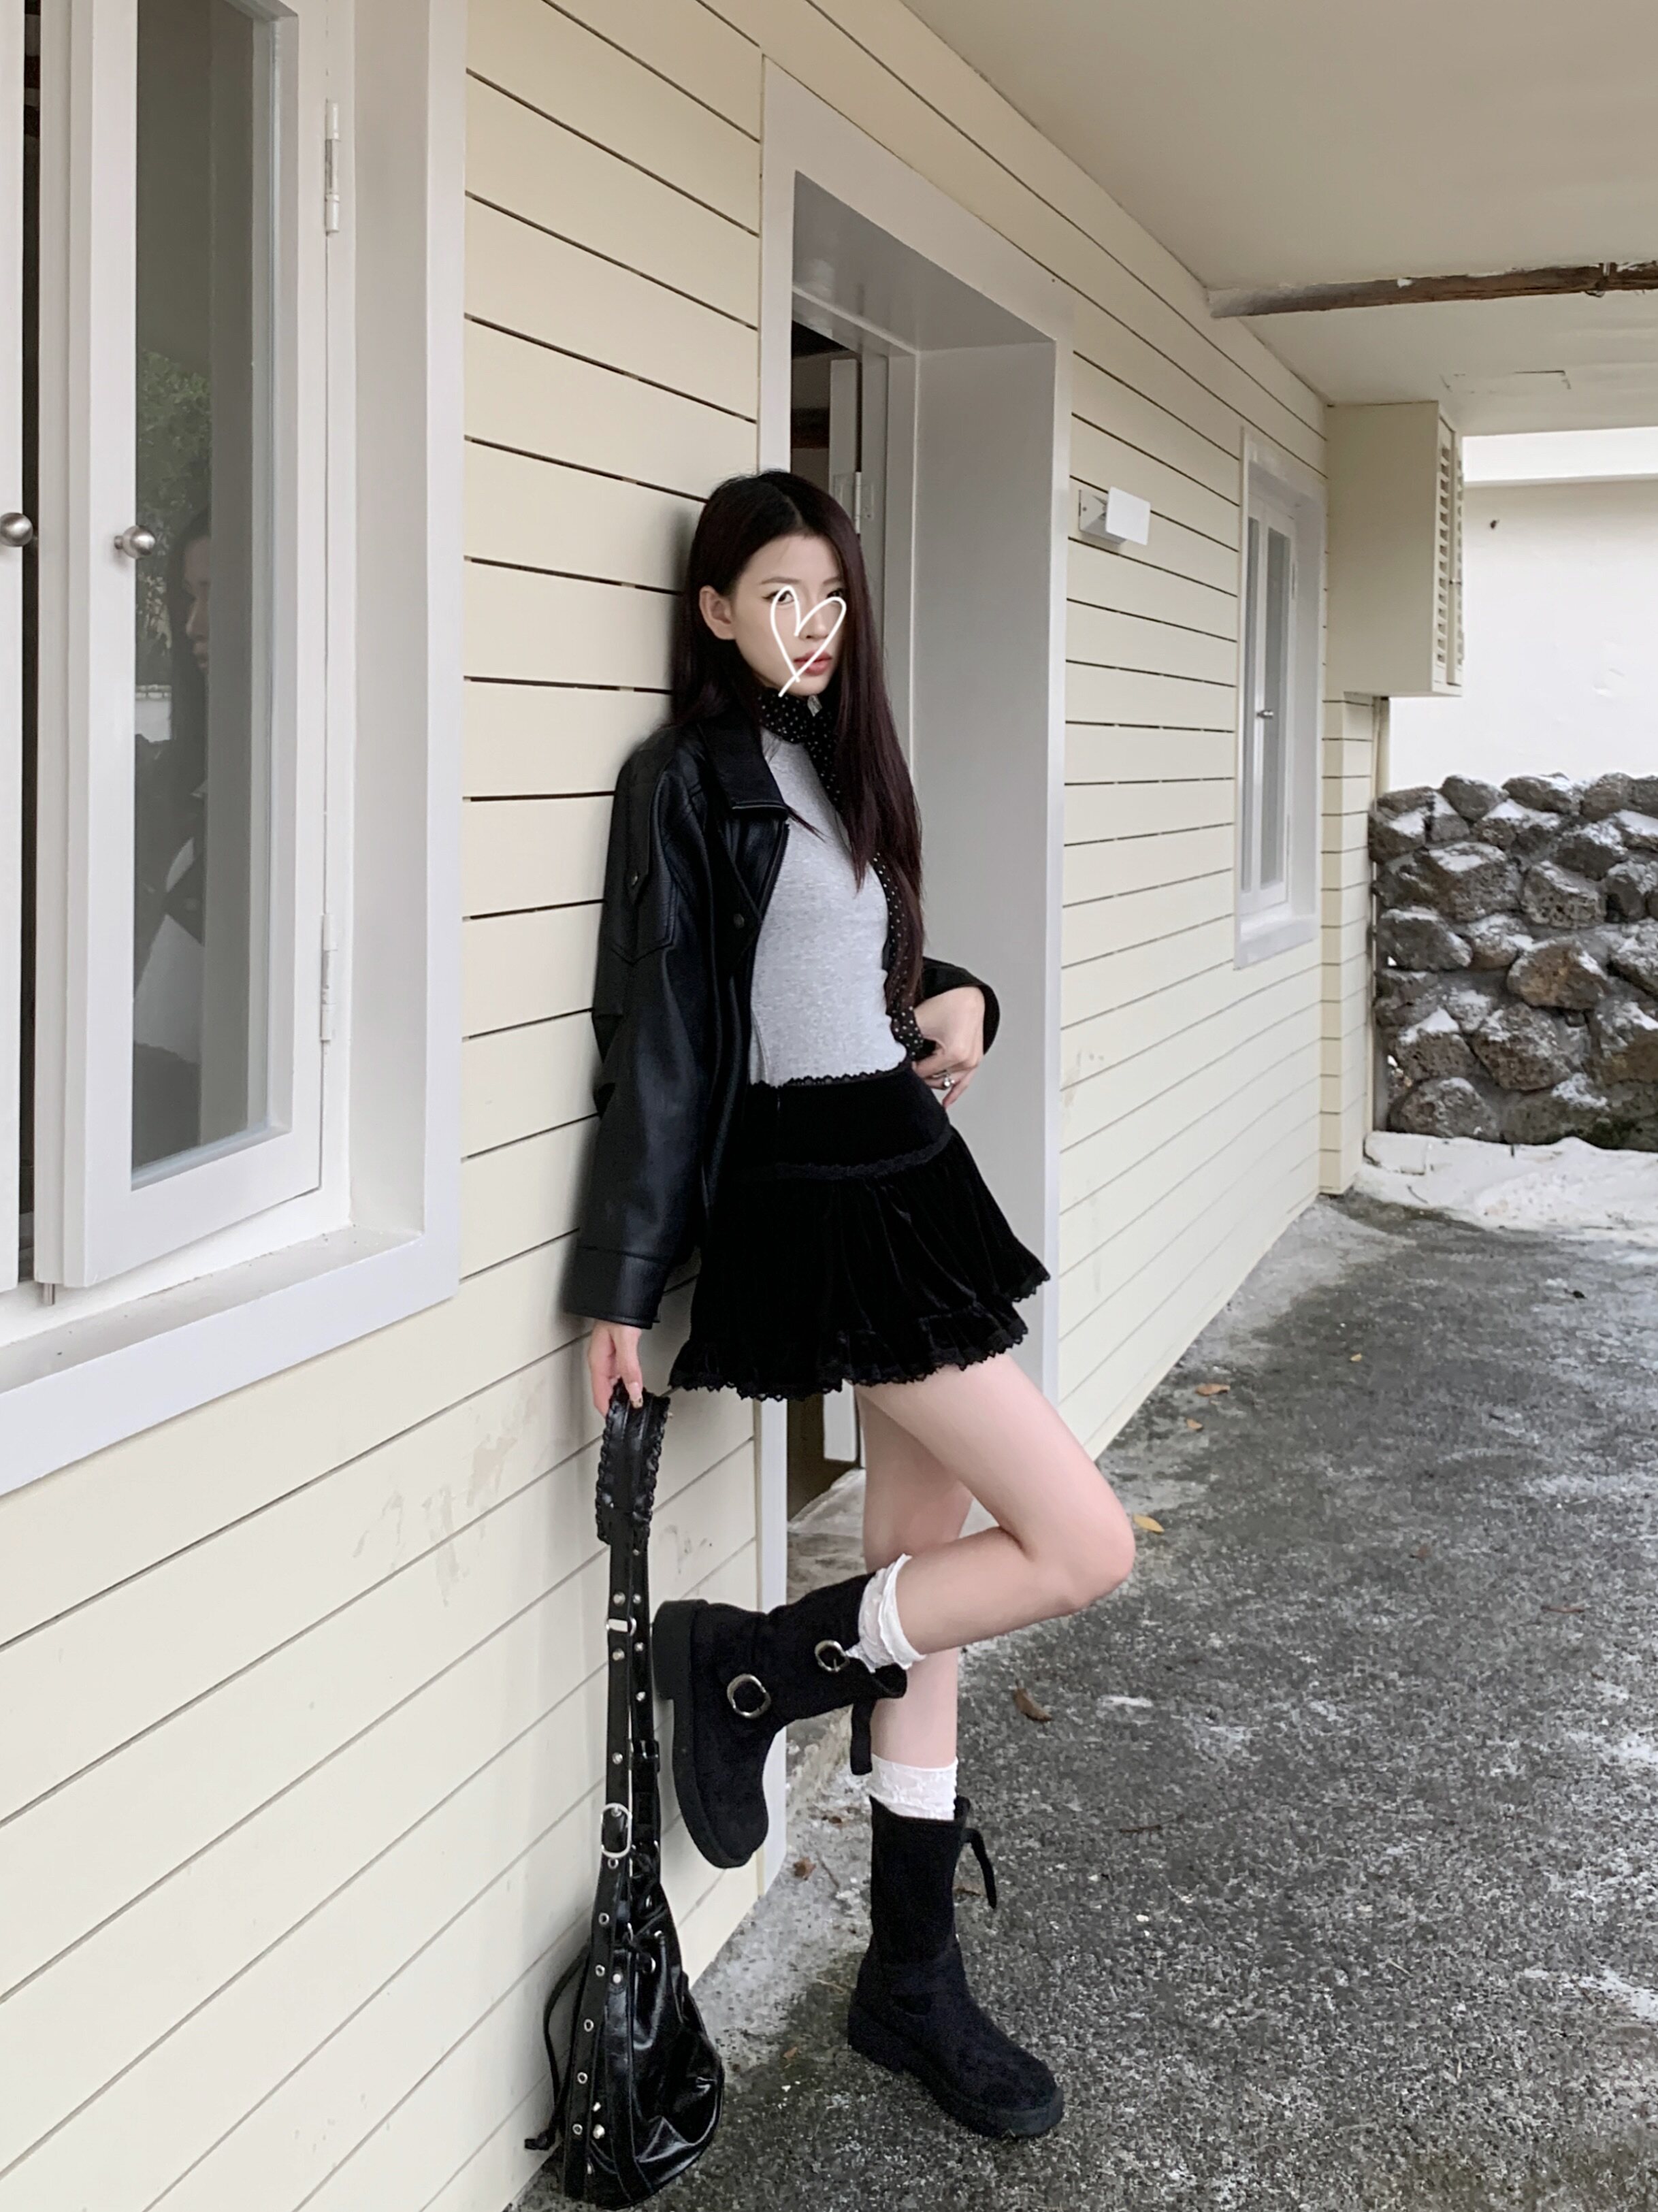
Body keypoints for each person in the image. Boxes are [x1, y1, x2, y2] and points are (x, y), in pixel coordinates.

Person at [568, 470, 1136, 2142]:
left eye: (829, 596)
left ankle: (909, 1976)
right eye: (777, 595)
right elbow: (669, 1030)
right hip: (821, 1197)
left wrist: (960, 993)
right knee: (1082, 1541)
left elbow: (847, 969)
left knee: (919, 1591)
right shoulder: (688, 778)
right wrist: (620, 1278)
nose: (809, 625)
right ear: (715, 609)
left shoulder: (834, 756)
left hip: (906, 1165)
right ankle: (748, 1664)